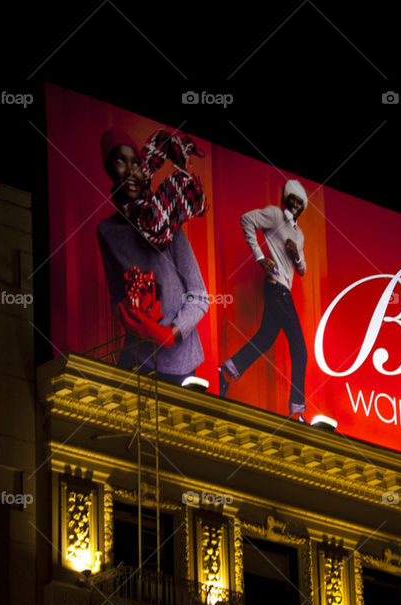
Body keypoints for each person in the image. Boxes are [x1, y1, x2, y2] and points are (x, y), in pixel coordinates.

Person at [96, 128, 209, 386]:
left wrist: (168, 335)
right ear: (109, 169)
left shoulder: (165, 220)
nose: (130, 171)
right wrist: (123, 312)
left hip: (179, 360)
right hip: (137, 356)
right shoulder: (107, 232)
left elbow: (200, 296)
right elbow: (116, 295)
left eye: (135, 162)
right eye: (119, 160)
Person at [219, 180, 309, 423]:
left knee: (265, 338)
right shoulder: (274, 215)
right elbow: (246, 220)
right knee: (300, 350)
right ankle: (297, 410)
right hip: (276, 289)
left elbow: (302, 270)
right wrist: (259, 257)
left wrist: (295, 254)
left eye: (300, 202)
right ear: (286, 197)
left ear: (303, 207)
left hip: (283, 290)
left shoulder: (299, 234)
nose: (295, 204)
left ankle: (227, 371)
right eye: (293, 199)